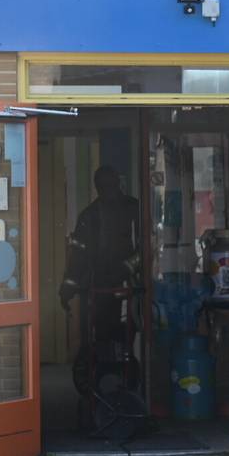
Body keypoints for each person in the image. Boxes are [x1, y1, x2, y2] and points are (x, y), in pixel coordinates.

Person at [60, 166, 141, 404]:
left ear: (119, 183)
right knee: (97, 339)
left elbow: (147, 246)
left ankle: (124, 385)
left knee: (125, 336)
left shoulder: (134, 209)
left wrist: (128, 268)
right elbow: (78, 256)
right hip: (96, 289)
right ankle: (100, 390)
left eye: (111, 185)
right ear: (98, 187)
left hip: (128, 287)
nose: (109, 190)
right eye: (103, 186)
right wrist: (68, 289)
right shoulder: (89, 216)